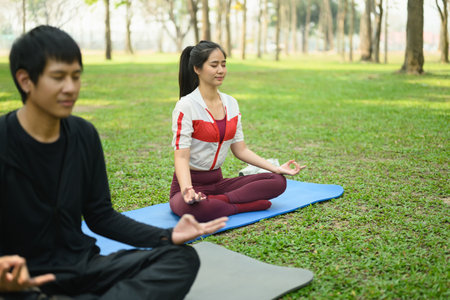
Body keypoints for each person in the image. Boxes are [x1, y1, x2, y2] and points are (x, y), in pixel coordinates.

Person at [0, 25, 227, 300]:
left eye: (76, 76)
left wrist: (166, 236)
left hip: (84, 267)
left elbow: (101, 216)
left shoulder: (84, 135)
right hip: (23, 280)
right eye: (58, 77)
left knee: (180, 259)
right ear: (25, 80)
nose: (71, 88)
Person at [170, 41, 306, 222]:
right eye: (214, 65)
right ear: (197, 68)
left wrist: (276, 168)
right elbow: (181, 157)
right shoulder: (186, 106)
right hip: (189, 184)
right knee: (194, 209)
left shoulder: (231, 103)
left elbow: (240, 150)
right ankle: (243, 206)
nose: (221, 70)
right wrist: (188, 191)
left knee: (277, 181)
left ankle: (220, 202)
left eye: (223, 64)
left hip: (218, 183)